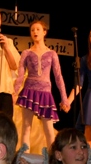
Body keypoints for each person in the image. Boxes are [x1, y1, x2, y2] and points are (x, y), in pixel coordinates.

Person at [13, 21, 70, 150]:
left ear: (44, 32)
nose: (35, 32)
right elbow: (20, 75)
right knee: (26, 127)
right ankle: (25, 157)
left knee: (49, 129)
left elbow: (58, 77)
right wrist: (15, 92)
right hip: (29, 92)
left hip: (45, 93)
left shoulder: (51, 53)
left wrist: (64, 98)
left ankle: (53, 157)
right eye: (32, 30)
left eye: (38, 29)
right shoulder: (26, 53)